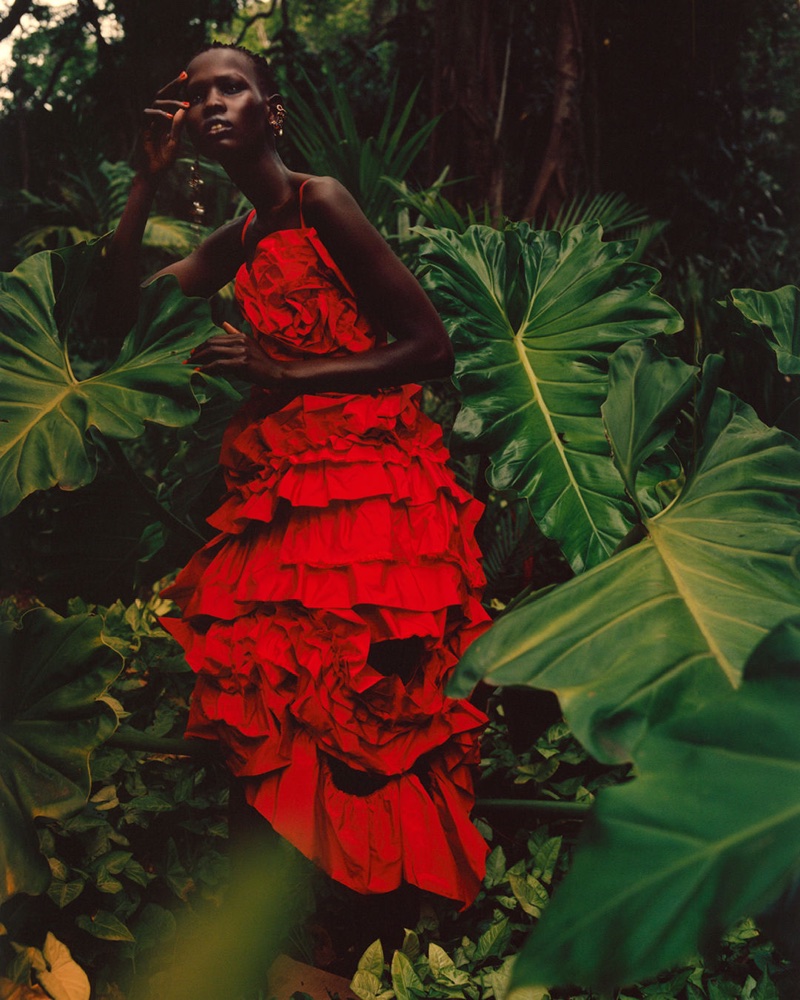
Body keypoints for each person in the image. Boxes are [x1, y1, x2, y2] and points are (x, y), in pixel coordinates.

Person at [105, 43, 491, 926]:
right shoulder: (240, 237)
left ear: (269, 111)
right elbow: (121, 314)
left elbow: (431, 351)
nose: (212, 101)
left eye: (231, 86)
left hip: (373, 486)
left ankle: (381, 927)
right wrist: (142, 185)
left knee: (369, 708)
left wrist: (286, 372)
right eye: (197, 92)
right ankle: (270, 941)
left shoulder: (320, 201)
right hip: (290, 490)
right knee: (270, 695)